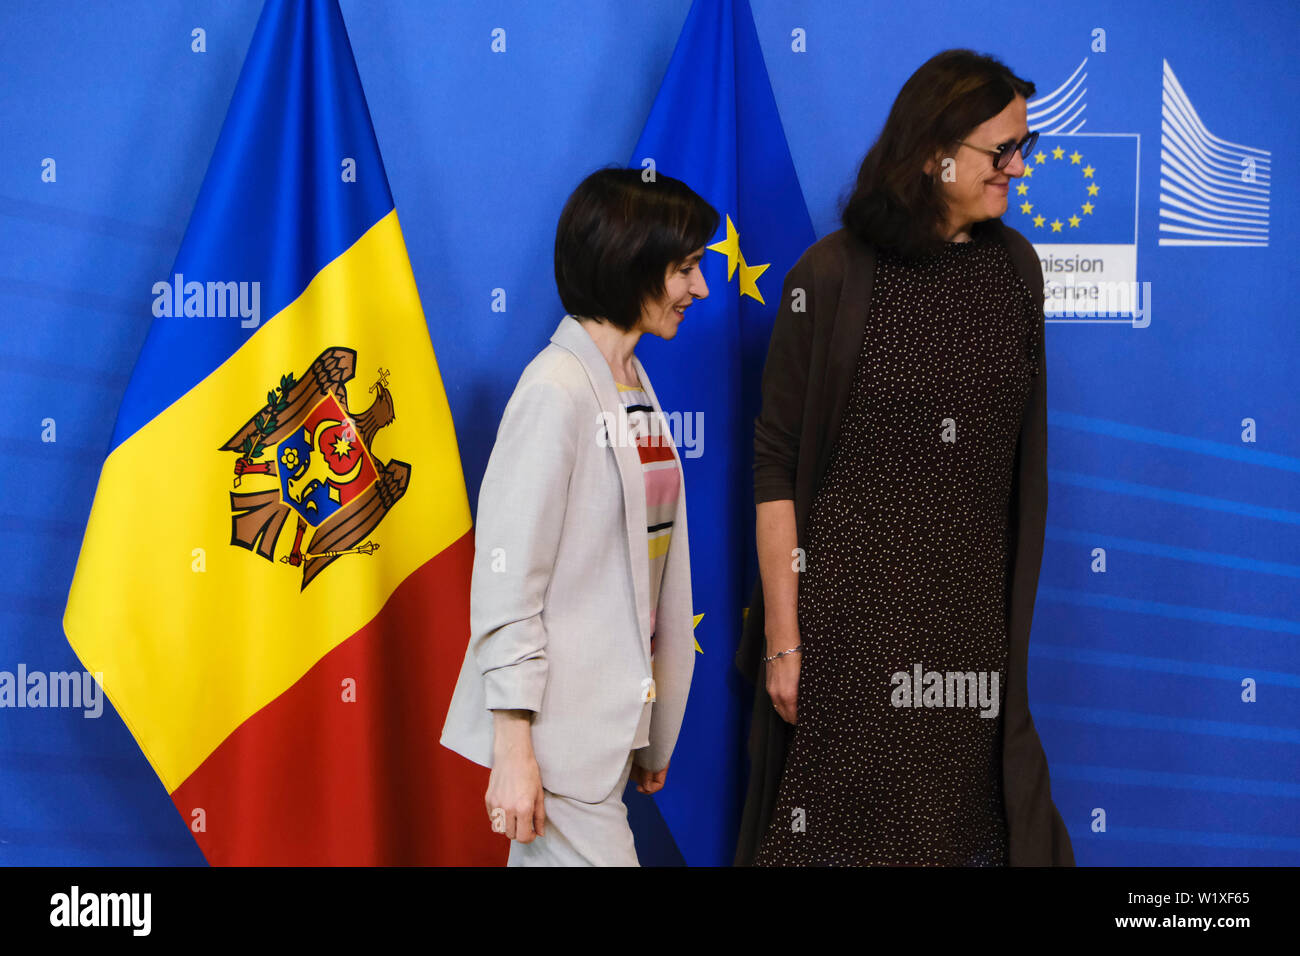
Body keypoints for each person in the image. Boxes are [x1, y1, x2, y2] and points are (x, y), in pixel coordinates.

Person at [734, 49, 1075, 866]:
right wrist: (786, 642)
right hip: (847, 636)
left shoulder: (1016, 272)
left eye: (1022, 149)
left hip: (968, 640)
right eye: (1004, 152)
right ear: (936, 152)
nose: (1019, 170)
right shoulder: (833, 275)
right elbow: (775, 464)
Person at [441, 167, 718, 866]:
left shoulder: (631, 379)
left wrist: (645, 728)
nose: (700, 289)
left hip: (600, 744)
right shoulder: (556, 391)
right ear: (633, 262)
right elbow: (507, 587)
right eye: (685, 268)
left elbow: (641, 569)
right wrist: (512, 750)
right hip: (555, 752)